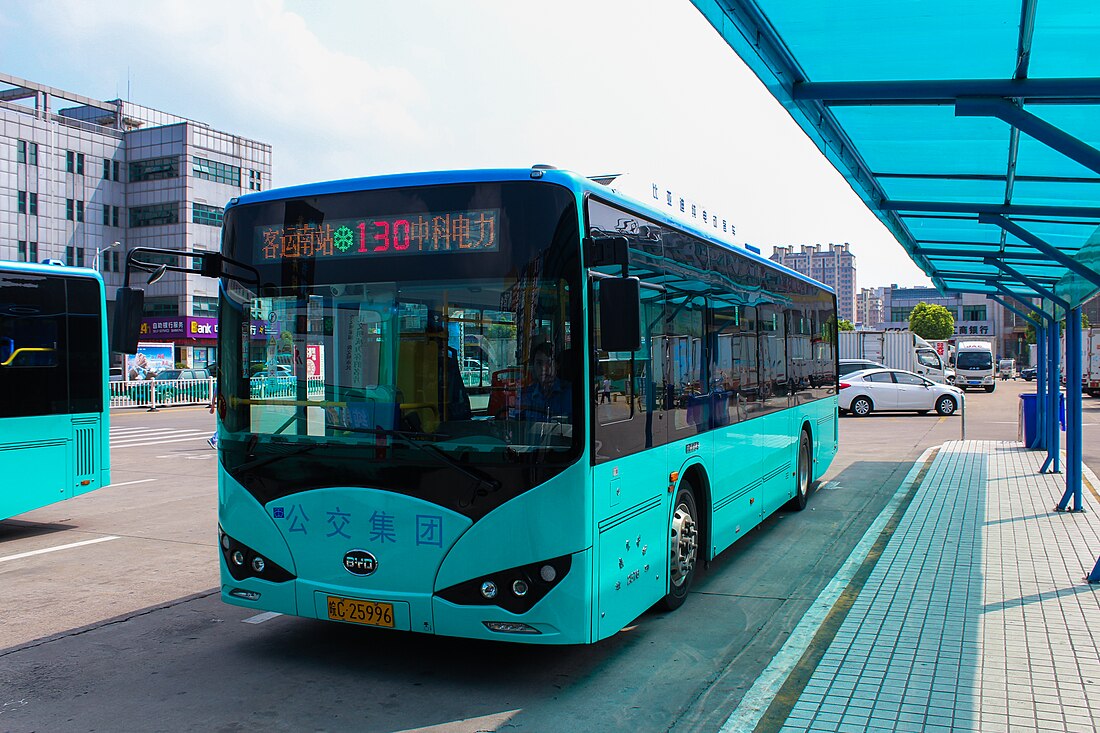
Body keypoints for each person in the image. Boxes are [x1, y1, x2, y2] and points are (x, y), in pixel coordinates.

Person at [519, 341, 572, 420]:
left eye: (549, 363)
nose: (544, 368)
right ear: (533, 366)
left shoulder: (570, 393)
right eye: (539, 363)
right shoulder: (526, 395)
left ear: (557, 365)